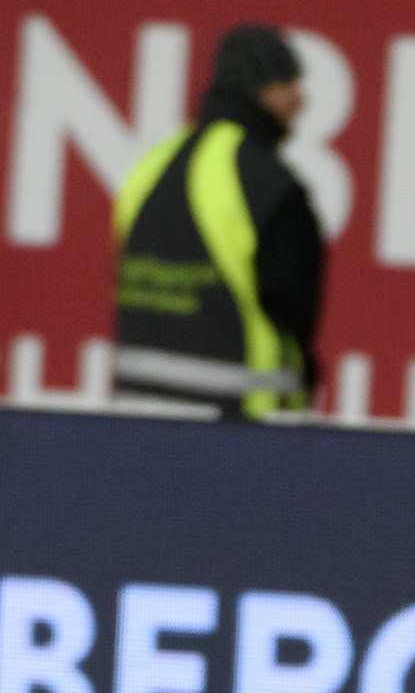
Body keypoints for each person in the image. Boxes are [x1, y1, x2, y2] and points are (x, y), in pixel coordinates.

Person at [112, 24, 324, 419]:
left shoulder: (149, 169)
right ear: (262, 88)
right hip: (238, 423)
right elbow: (293, 305)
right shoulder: (269, 182)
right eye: (290, 82)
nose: (301, 99)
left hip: (136, 415)